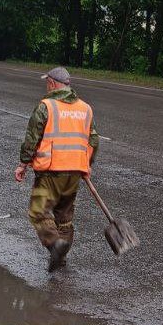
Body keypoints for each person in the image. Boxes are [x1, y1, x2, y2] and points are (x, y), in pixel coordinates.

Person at [14, 66, 100, 271]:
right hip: (74, 174)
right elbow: (93, 140)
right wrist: (87, 164)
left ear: (52, 83)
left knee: (38, 212)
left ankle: (54, 243)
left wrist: (23, 164)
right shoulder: (85, 108)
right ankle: (60, 258)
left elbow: (32, 138)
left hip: (51, 172)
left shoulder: (46, 106)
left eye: (47, 82)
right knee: (64, 217)